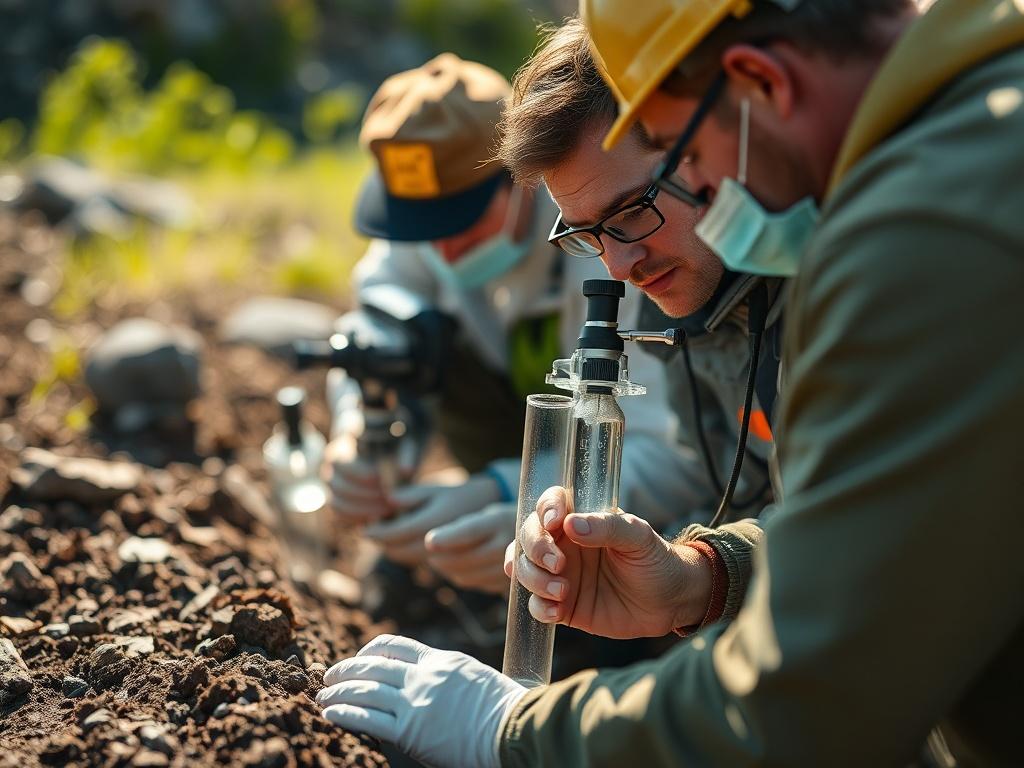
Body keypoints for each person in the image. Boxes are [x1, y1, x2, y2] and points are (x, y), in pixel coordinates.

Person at [315, 1, 1024, 766]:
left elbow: (807, 703)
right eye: (588, 236)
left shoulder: (925, 239)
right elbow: (909, 528)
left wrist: (510, 734)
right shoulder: (962, 148)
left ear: (760, 84)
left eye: (678, 156)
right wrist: (708, 577)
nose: (710, 189)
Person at [326, 52, 682, 596]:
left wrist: (511, 494)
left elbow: (666, 452)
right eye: (426, 226)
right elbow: (372, 331)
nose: (443, 250)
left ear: (521, 179)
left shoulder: (609, 243)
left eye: (462, 223)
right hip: (503, 419)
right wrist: (357, 430)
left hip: (598, 451)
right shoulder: (425, 239)